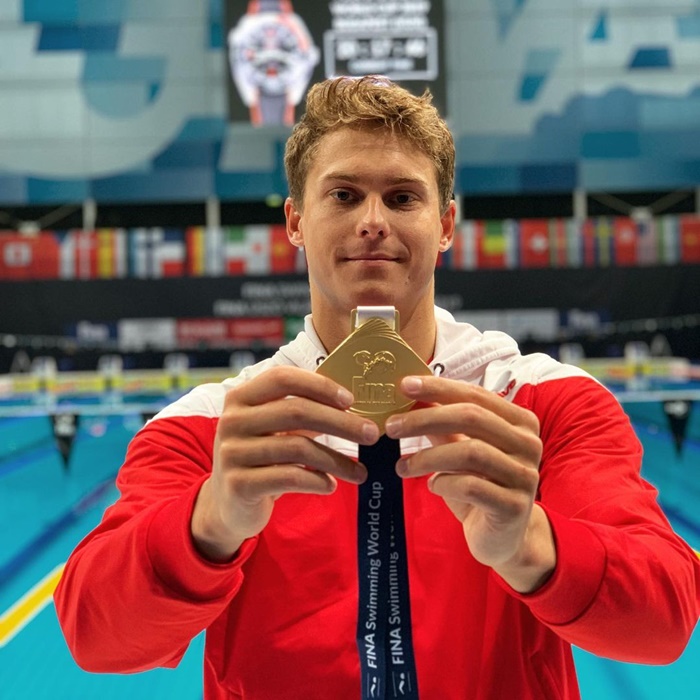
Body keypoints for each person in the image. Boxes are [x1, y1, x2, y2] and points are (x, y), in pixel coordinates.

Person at [54, 76, 700, 700]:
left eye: (402, 197)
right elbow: (95, 638)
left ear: (445, 224)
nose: (372, 221)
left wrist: (529, 545)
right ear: (295, 221)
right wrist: (211, 521)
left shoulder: (545, 402)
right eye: (343, 195)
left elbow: (664, 624)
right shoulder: (211, 428)